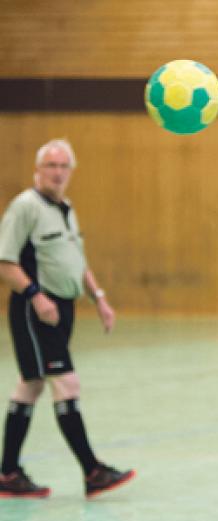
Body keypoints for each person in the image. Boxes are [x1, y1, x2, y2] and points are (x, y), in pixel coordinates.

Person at [0, 139, 135, 499]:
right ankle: (92, 471)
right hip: (36, 309)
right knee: (66, 383)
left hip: (63, 308)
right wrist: (37, 297)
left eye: (63, 166)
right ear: (37, 169)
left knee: (31, 385)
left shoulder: (65, 207)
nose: (57, 172)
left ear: (71, 172)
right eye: (51, 165)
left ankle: (8, 475)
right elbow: (6, 263)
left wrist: (100, 298)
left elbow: (76, 259)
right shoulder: (25, 207)